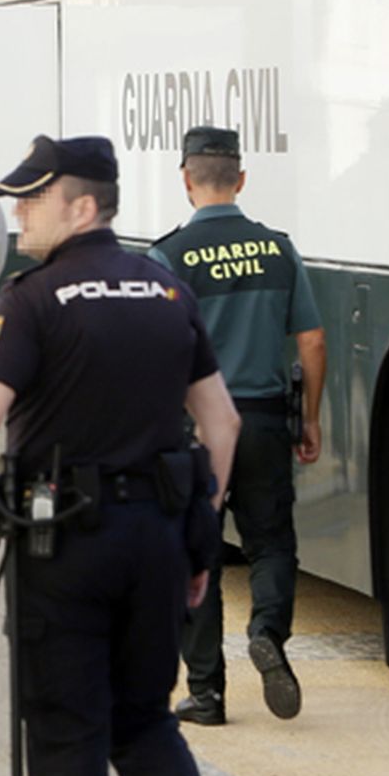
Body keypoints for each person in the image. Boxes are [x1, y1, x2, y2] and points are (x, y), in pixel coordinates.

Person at [0, 134, 241, 776]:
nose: (21, 216)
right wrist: (196, 535)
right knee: (146, 724)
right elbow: (223, 424)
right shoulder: (167, 290)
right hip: (157, 538)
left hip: (66, 543)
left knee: (68, 734)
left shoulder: (33, 299)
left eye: (33, 200)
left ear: (82, 207)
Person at [148, 126, 327, 726]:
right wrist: (311, 418)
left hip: (197, 430)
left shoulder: (168, 257)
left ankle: (207, 693)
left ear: (186, 180)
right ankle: (269, 633)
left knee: (195, 553)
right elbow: (312, 339)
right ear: (242, 180)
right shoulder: (278, 250)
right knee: (272, 541)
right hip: (265, 419)